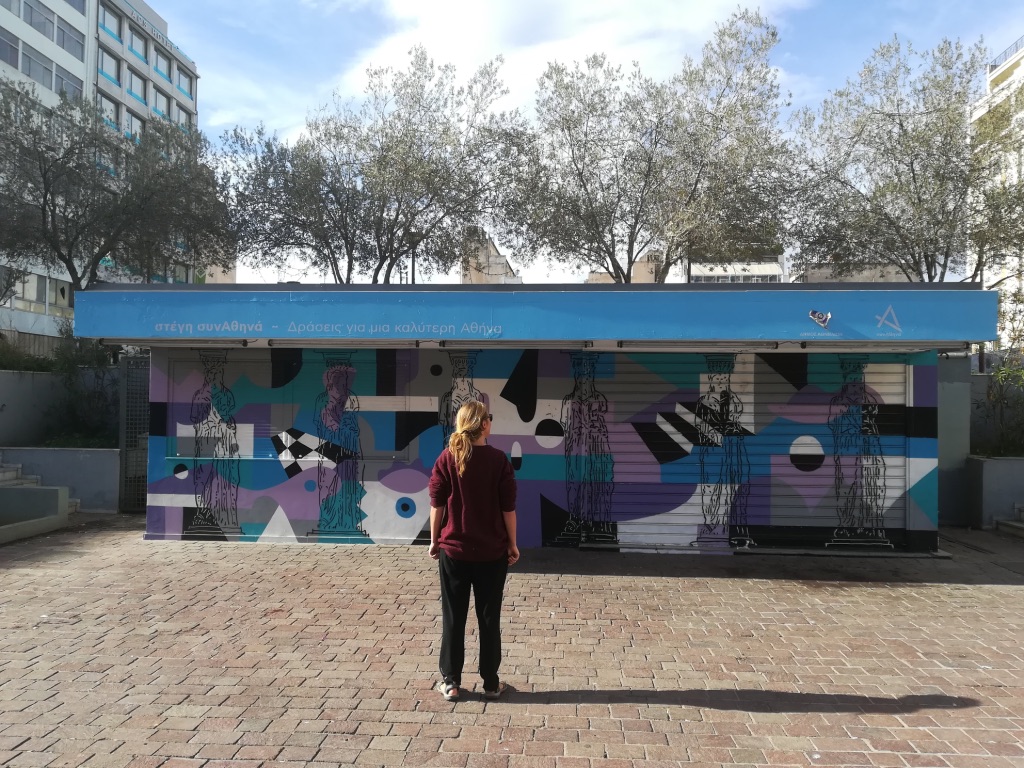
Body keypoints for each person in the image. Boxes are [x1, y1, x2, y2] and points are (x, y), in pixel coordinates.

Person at [428, 399, 519, 702]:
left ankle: (451, 682)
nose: (491, 421)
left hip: (454, 552)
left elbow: (437, 504)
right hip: (492, 553)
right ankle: (491, 683)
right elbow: (508, 508)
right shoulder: (499, 460)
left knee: (453, 617)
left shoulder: (446, 458)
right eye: (489, 417)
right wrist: (512, 543)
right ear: (483, 424)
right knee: (489, 618)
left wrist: (434, 540)